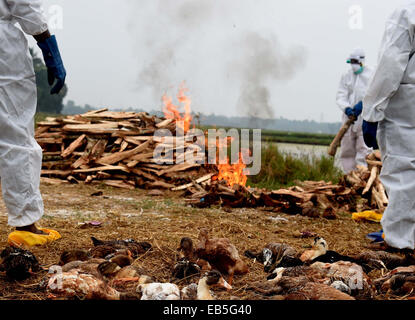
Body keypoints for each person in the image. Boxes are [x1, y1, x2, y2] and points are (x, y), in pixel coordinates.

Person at [0, 0, 65, 246]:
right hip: (4, 56)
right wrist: (48, 45)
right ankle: (25, 225)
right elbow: (24, 5)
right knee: (14, 136)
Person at [362, 2, 415, 251]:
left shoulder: (406, 13)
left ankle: (400, 241)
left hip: (407, 109)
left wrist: (372, 111)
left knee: (403, 170)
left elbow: (390, 63)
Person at [336, 48, 374, 173]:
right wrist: (347, 108)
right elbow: (341, 95)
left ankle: (362, 176)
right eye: (351, 62)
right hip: (349, 118)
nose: (353, 65)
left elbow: (373, 94)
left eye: (355, 62)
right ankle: (348, 176)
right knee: (347, 149)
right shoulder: (346, 76)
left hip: (364, 117)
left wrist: (363, 105)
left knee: (364, 149)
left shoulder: (371, 74)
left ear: (362, 61)